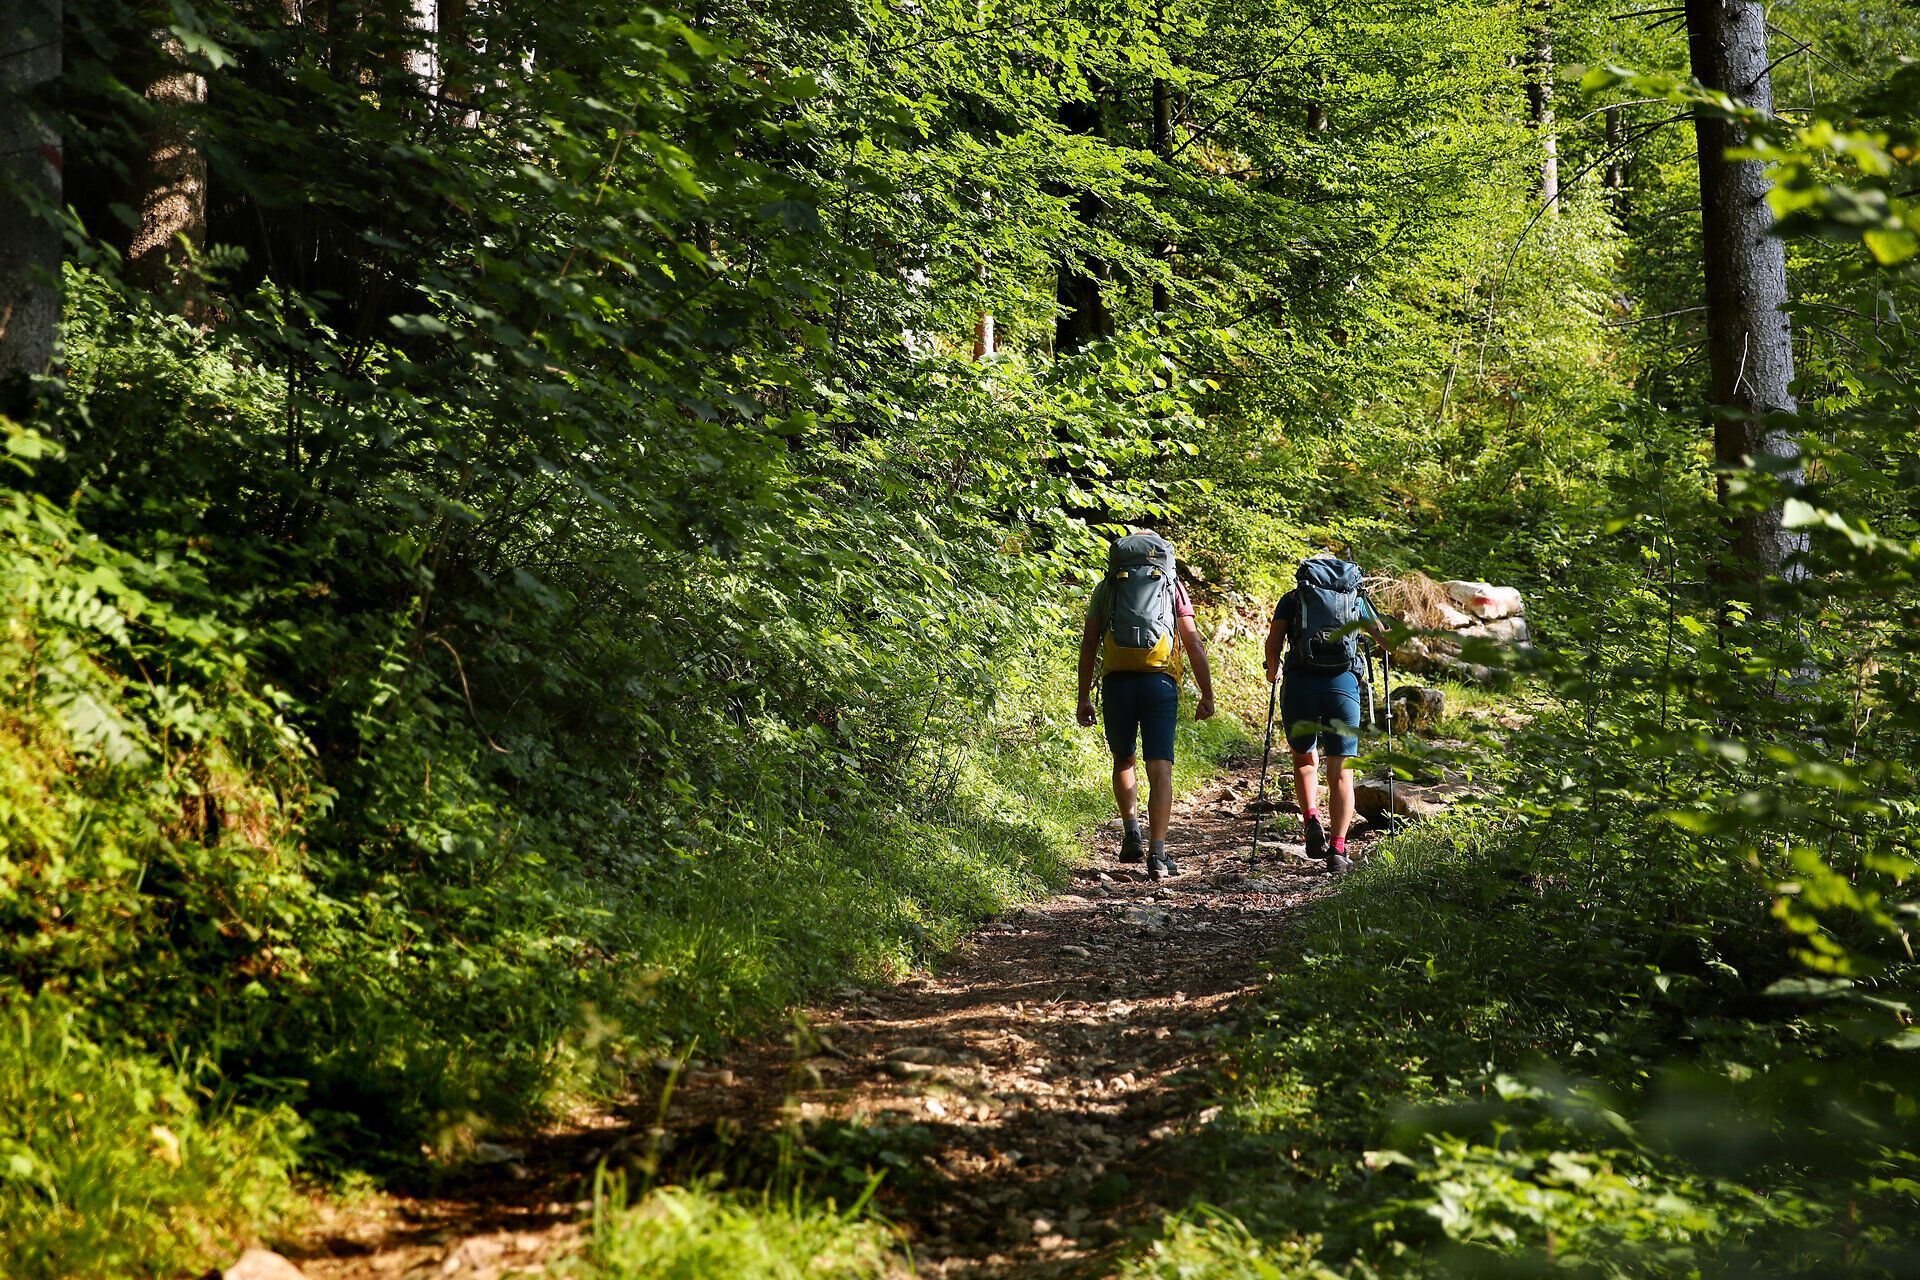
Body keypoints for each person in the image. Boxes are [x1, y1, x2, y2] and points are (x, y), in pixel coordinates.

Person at [1076, 530, 1216, 880]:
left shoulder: (1108, 586)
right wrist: (1207, 693)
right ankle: (1158, 853)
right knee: (1160, 767)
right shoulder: (1171, 585)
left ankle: (1131, 833)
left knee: (1124, 758)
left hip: (1117, 683)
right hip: (1159, 683)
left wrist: (1083, 697)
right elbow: (1193, 643)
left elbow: (1089, 644)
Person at [1264, 555, 1385, 873]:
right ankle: (1338, 849)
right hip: (1342, 688)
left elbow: (1273, 643)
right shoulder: (1356, 599)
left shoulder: (1293, 598)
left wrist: (1274, 670)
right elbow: (1387, 641)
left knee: (1304, 759)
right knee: (1342, 772)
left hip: (1300, 685)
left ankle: (1312, 820)